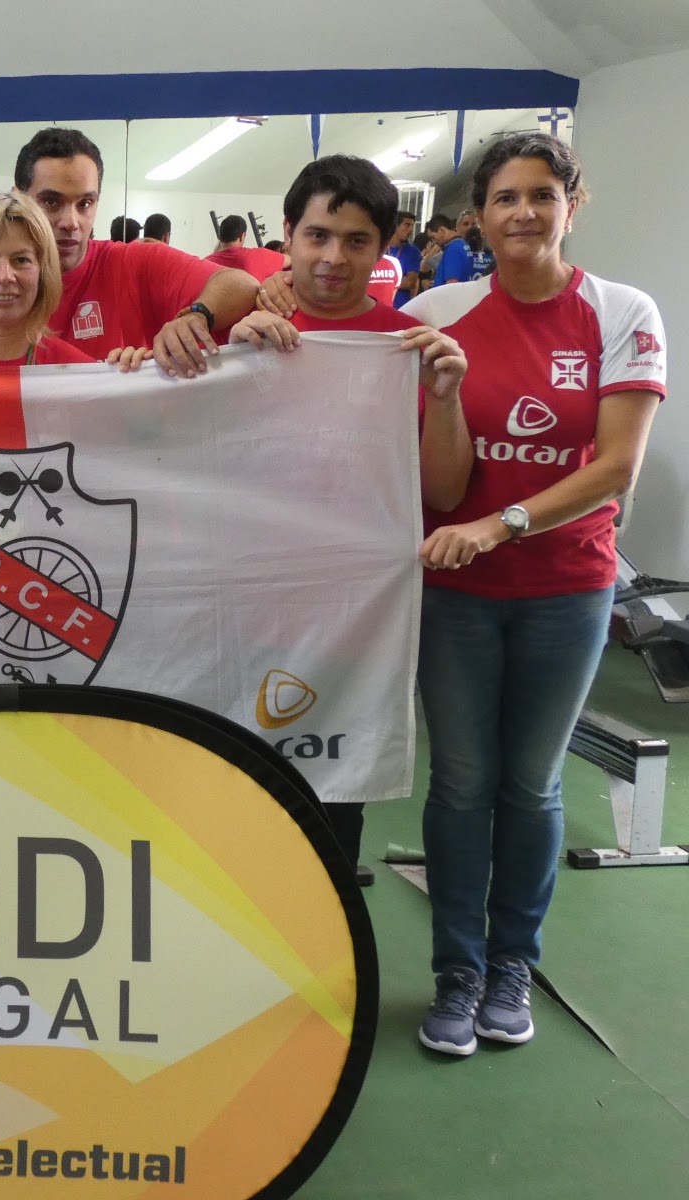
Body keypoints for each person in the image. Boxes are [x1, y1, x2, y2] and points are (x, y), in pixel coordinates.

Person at [402, 132, 666, 1057]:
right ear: (478, 215)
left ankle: (512, 965)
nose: (524, 212)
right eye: (505, 197)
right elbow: (440, 487)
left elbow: (617, 467)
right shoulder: (436, 312)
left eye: (542, 195)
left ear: (571, 205)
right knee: (461, 782)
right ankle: (457, 972)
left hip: (567, 590)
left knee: (530, 783)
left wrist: (501, 524)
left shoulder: (622, 311)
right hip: (456, 597)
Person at [226, 154, 472, 872]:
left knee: (332, 805)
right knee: (234, 794)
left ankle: (327, 937)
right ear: (288, 234)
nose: (334, 258)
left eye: (356, 240)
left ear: (385, 244)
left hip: (355, 622)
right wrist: (222, 365)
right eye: (318, 236)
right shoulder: (239, 334)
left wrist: (446, 399)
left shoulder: (407, 347)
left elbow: (446, 495)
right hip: (246, 611)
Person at [0, 128, 257, 377]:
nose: (71, 222)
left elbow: (241, 285)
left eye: (85, 203)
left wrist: (195, 317)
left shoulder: (134, 263)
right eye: (51, 202)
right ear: (18, 198)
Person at [0, 192, 148, 371]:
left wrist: (137, 379)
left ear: (43, 274)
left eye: (21, 260)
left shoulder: (80, 375)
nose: (4, 276)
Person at [207, 214, 287, 281]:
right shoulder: (258, 256)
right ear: (242, 236)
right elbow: (290, 259)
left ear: (220, 236)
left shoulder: (206, 263)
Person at [430, 212, 473, 287]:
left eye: (433, 237)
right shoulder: (463, 244)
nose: (434, 242)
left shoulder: (452, 249)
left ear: (441, 230)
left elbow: (452, 285)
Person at [389, 210, 423, 304]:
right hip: (379, 304)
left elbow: (410, 282)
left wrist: (382, 279)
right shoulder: (380, 248)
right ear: (396, 226)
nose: (411, 229)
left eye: (412, 226)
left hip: (401, 306)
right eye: (407, 225)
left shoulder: (413, 252)